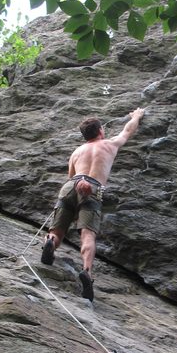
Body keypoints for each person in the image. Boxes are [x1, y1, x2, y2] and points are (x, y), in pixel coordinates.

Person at [41, 108, 145, 301]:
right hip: (92, 188)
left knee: (57, 230)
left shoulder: (76, 152)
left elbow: (71, 177)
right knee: (88, 235)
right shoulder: (108, 145)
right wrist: (136, 116)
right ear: (100, 131)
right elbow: (127, 132)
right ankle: (87, 272)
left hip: (70, 186)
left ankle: (50, 243)